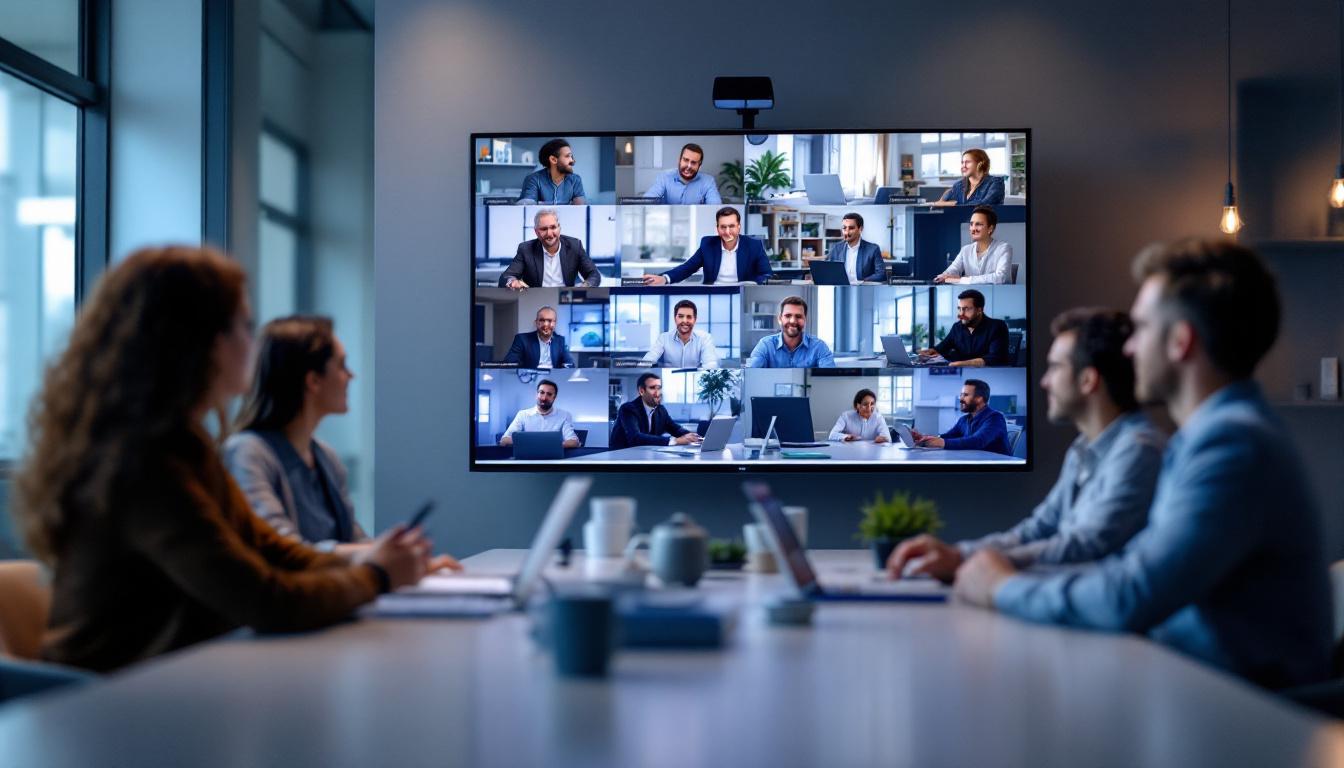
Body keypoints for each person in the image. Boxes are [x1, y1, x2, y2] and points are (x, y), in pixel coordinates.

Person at [13, 246, 431, 673]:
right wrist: (376, 575)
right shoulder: (143, 465)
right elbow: (266, 600)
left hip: (167, 681)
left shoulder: (184, 446)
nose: (254, 341)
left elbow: (274, 552)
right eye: (245, 326)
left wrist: (371, 561)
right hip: (108, 699)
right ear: (207, 342)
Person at [954, 239, 1332, 689]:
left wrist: (1001, 587)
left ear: (1180, 341)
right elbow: (1129, 572)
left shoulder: (1231, 444)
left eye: (1141, 329)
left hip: (1241, 709)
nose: (1129, 349)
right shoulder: (1207, 437)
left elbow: (1130, 594)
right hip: (1197, 684)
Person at [887, 308, 1165, 581]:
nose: (1044, 382)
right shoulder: (1082, 449)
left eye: (1055, 367)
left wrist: (983, 567)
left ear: (1087, 380)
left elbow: (1085, 547)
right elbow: (1039, 528)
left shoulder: (1138, 452)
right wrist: (959, 554)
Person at [642, 207, 772, 285]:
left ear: (739, 227)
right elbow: (687, 268)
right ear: (717, 228)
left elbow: (766, 274)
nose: (727, 232)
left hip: (741, 293)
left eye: (731, 226)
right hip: (714, 292)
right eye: (723, 227)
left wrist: (754, 284)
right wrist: (664, 278)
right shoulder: (708, 244)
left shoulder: (754, 245)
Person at [499, 209, 600, 290]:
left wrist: (585, 285)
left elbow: (594, 274)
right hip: (534, 298)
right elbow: (506, 277)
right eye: (544, 229)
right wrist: (512, 282)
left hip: (563, 296)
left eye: (553, 227)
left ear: (559, 228)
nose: (549, 234)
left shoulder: (575, 245)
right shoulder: (526, 249)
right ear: (536, 232)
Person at [910, 379, 1010, 454]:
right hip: (976, 464)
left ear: (979, 398)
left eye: (965, 395)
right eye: (961, 395)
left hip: (999, 469)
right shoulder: (964, 419)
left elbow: (978, 441)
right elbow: (947, 436)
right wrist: (925, 438)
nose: (961, 399)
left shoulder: (995, 418)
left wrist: (942, 442)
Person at [919, 289, 1010, 367]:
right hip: (960, 371)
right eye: (959, 308)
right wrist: (925, 353)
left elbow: (994, 358)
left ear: (980, 310)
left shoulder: (997, 326)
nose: (961, 314)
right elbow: (941, 348)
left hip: (991, 373)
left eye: (966, 309)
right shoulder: (957, 327)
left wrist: (960, 364)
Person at [609, 373, 702, 449]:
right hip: (622, 457)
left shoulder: (661, 410)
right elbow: (635, 438)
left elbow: (675, 429)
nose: (658, 393)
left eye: (659, 388)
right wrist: (676, 441)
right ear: (641, 391)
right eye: (652, 388)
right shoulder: (628, 409)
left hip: (647, 454)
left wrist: (693, 437)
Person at [746, 296, 836, 368]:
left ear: (805, 319)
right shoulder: (765, 344)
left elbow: (830, 378)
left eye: (798, 316)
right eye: (788, 316)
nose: (793, 321)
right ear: (780, 319)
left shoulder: (819, 347)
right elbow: (751, 374)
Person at [934, 206, 1014, 285]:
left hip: (998, 293)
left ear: (990, 228)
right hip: (971, 293)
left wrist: (963, 280)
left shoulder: (1004, 248)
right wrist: (943, 276)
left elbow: (1001, 278)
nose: (973, 228)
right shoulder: (965, 250)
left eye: (978, 224)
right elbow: (952, 270)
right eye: (971, 224)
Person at [499, 379, 580, 448]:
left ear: (554, 398)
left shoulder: (564, 415)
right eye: (541, 392)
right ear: (536, 394)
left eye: (549, 394)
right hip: (527, 458)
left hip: (553, 459)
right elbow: (504, 440)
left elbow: (574, 442)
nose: (544, 398)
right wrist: (536, 444)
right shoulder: (522, 415)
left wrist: (545, 446)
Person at [641, 300, 720, 368]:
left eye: (689, 317)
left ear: (695, 320)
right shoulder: (664, 338)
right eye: (681, 316)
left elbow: (711, 364)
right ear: (675, 318)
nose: (684, 321)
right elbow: (648, 360)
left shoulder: (704, 338)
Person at [642, 143, 723, 205]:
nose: (689, 166)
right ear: (679, 160)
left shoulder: (708, 181)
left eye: (693, 163)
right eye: (686, 160)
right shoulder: (665, 177)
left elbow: (715, 207)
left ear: (699, 165)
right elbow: (647, 201)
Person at [820, 212, 886, 283]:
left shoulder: (873, 249)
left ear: (860, 229)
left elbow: (881, 274)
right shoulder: (836, 248)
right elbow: (826, 270)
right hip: (840, 287)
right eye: (844, 228)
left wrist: (863, 282)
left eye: (851, 228)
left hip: (862, 287)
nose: (846, 232)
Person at [517, 138, 586, 205]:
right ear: (553, 160)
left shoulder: (575, 180)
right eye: (567, 156)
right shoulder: (533, 179)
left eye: (571, 156)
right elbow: (526, 206)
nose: (572, 160)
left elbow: (581, 207)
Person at [502, 306, 573, 369]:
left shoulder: (560, 341)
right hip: (530, 378)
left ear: (555, 323)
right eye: (542, 320)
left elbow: (570, 364)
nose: (545, 324)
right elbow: (509, 363)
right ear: (536, 322)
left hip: (554, 377)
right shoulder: (522, 339)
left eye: (549, 321)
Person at [930, 148, 1005, 207]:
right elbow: (940, 203)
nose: (963, 166)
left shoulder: (995, 183)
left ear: (980, 164)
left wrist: (954, 204)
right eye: (962, 162)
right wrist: (942, 202)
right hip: (962, 221)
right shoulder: (959, 185)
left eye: (967, 162)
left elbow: (984, 204)